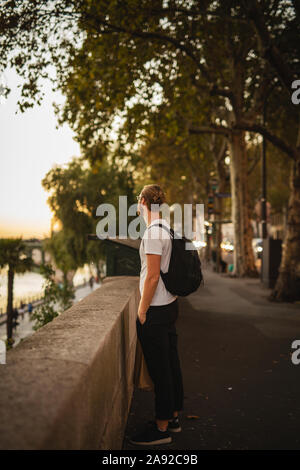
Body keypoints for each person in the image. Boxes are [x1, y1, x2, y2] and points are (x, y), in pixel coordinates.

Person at [129, 184, 184, 446]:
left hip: (156, 310)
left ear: (143, 202)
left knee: (160, 370)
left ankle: (161, 429)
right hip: (170, 305)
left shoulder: (152, 233)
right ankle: (173, 418)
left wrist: (142, 309)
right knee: (171, 364)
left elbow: (151, 276)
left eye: (138, 202)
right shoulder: (167, 229)